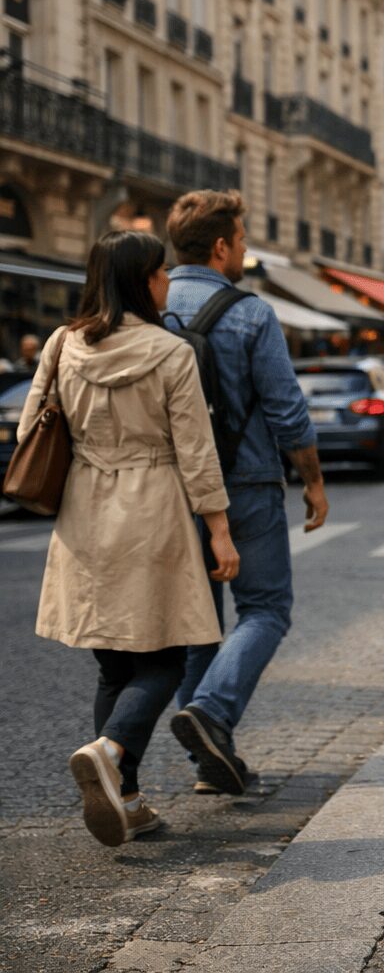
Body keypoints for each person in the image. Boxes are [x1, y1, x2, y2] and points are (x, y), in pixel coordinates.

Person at [24, 230, 240, 846]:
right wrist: (220, 531)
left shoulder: (62, 344)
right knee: (170, 655)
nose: (169, 281)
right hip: (154, 507)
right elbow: (197, 451)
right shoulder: (171, 352)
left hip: (86, 509)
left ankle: (129, 797)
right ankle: (111, 750)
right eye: (161, 272)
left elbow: (30, 429)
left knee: (114, 664)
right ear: (143, 280)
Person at [162, 189, 328, 798]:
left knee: (198, 622)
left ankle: (213, 758)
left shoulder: (151, 307)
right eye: (243, 238)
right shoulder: (251, 312)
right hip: (247, 483)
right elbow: (287, 410)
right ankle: (211, 713)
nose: (247, 249)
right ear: (223, 246)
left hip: (174, 487)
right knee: (265, 609)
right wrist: (312, 480)